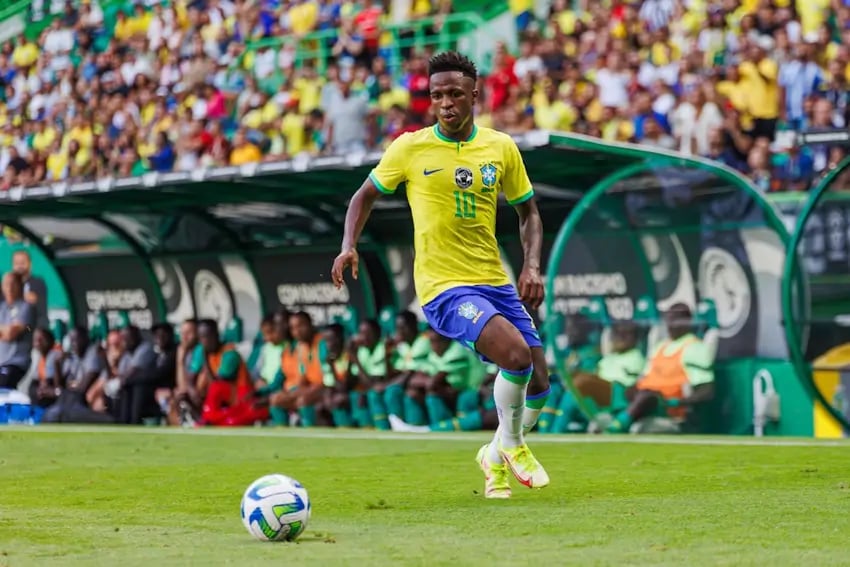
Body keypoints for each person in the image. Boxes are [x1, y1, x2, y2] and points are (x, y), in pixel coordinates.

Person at [332, 51, 550, 499]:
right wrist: (348, 245)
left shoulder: (500, 147)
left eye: (454, 93)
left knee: (541, 383)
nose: (446, 103)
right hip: (444, 287)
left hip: (495, 281)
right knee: (516, 357)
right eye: (436, 96)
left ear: (474, 94)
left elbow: (527, 211)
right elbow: (363, 196)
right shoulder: (410, 147)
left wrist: (531, 265)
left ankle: (492, 457)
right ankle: (512, 445)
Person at [607, 304, 715, 433]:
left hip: (666, 405)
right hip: (643, 400)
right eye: (668, 320)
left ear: (688, 322)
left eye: (675, 320)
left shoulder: (695, 348)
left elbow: (706, 390)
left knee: (647, 396)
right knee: (624, 389)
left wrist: (680, 402)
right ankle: (612, 418)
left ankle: (619, 423)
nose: (670, 324)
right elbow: (644, 379)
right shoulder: (660, 347)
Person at [0, 272, 35, 390]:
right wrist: (6, 329)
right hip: (1, 362)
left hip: (16, 362)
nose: (9, 288)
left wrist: (6, 331)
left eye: (13, 284)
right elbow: (8, 331)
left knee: (4, 387)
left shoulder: (26, 307)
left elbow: (11, 334)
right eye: (6, 284)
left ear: (20, 285)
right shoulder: (2, 307)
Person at [12, 250, 48, 329]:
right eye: (17, 263)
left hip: (32, 329)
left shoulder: (38, 283)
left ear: (30, 264)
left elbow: (38, 306)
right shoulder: (8, 285)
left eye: (23, 263)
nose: (20, 266)